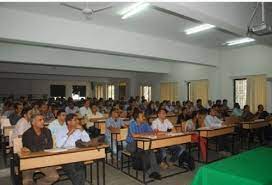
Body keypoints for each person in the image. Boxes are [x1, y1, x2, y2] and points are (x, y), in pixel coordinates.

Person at [22, 114, 59, 185]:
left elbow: (49, 146)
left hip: (44, 159)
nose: (43, 122)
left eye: (43, 120)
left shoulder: (47, 131)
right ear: (33, 122)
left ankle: (40, 183)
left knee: (54, 176)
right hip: (30, 161)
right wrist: (41, 147)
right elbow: (31, 148)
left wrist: (35, 148)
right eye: (40, 120)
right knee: (27, 181)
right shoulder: (27, 134)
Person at [126, 109, 161, 180]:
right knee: (144, 152)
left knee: (151, 152)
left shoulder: (145, 123)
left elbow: (151, 132)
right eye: (142, 116)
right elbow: (134, 136)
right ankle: (150, 172)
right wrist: (145, 134)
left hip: (142, 143)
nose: (144, 118)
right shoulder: (132, 124)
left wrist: (154, 131)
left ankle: (155, 172)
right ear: (137, 119)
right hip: (132, 144)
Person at [56, 113, 89, 185]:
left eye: (77, 119)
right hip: (65, 156)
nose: (78, 121)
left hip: (77, 154)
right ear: (68, 122)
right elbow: (58, 145)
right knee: (73, 170)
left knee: (80, 169)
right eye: (75, 120)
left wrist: (82, 130)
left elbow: (87, 141)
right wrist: (69, 133)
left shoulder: (78, 130)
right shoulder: (61, 131)